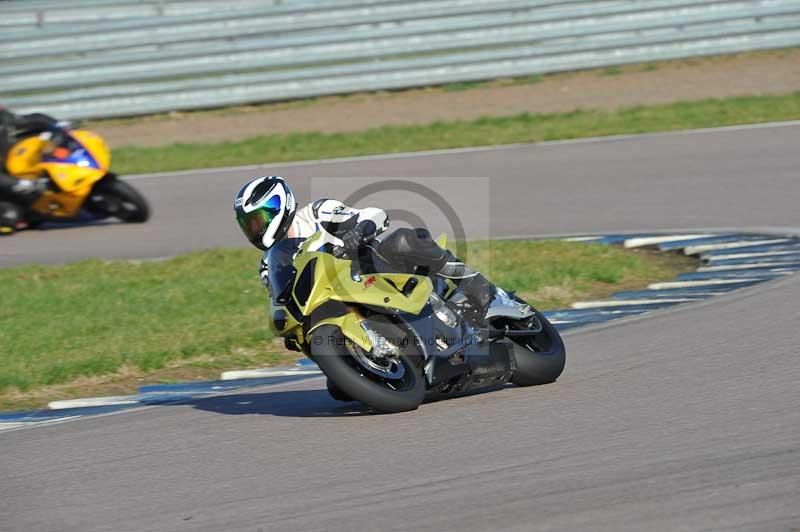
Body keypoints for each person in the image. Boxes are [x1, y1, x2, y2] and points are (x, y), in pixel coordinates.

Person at [233, 175, 498, 324]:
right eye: (248, 225)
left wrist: (358, 231)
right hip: (335, 303)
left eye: (257, 221)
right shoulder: (269, 265)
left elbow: (371, 214)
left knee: (406, 240)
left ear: (278, 207)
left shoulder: (315, 213)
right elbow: (282, 301)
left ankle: (474, 283)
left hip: (373, 270)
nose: (254, 230)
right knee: (339, 391)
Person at [0, 106, 63, 231]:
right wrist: (20, 183)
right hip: (5, 189)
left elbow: (29, 120)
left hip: (16, 174)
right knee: (8, 219)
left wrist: (59, 125)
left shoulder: (5, 118)